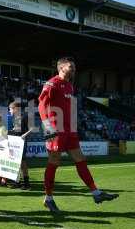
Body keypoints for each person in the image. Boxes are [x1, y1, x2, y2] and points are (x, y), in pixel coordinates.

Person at [38, 57, 118, 213]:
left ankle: (96, 193)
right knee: (54, 161)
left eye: (74, 66)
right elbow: (41, 104)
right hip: (56, 128)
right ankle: (48, 199)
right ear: (61, 68)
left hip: (70, 130)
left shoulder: (69, 86)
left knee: (80, 159)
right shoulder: (51, 83)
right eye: (70, 66)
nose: (74, 68)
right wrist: (47, 126)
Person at [8, 101, 31, 190]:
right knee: (16, 162)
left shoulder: (25, 116)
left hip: (21, 142)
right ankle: (17, 182)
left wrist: (24, 135)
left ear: (16, 108)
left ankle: (26, 183)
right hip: (15, 142)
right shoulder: (15, 117)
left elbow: (32, 129)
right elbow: (16, 129)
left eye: (10, 109)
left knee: (22, 162)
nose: (9, 111)